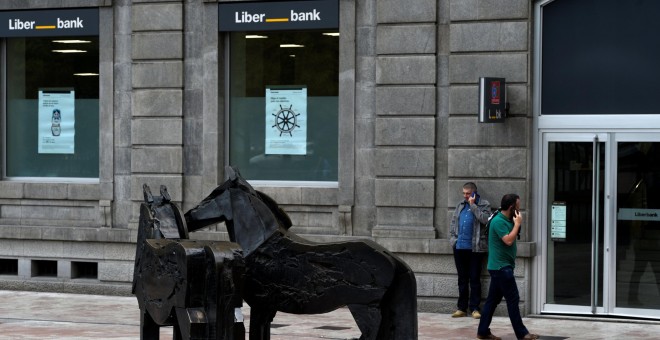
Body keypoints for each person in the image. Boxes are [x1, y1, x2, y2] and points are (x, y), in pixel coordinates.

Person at [477, 194, 539, 340]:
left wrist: (515, 223)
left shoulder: (505, 218)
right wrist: (517, 224)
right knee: (513, 299)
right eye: (518, 206)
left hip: (501, 267)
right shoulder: (498, 221)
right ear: (511, 207)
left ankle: (483, 331)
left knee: (492, 301)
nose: (519, 209)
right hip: (501, 268)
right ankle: (522, 334)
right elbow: (508, 241)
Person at [449, 182, 491, 319]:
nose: (465, 196)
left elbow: (485, 220)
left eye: (468, 193)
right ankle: (461, 308)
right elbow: (453, 223)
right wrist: (453, 241)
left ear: (474, 193)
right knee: (462, 279)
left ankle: (474, 308)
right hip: (459, 247)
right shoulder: (460, 205)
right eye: (464, 193)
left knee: (474, 279)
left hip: (475, 249)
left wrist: (473, 206)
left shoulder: (484, 205)